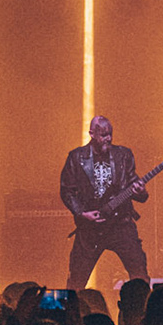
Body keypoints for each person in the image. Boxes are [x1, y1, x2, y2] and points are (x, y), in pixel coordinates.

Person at [59, 116, 151, 291]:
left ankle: (144, 310)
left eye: (110, 134)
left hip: (121, 224)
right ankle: (69, 314)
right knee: (76, 282)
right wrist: (81, 213)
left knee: (139, 274)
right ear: (92, 134)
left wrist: (141, 192)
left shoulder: (123, 155)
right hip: (90, 229)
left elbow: (134, 184)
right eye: (103, 135)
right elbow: (67, 191)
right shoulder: (76, 157)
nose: (108, 138)